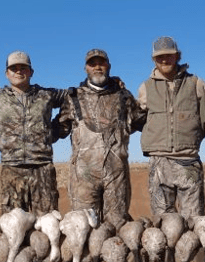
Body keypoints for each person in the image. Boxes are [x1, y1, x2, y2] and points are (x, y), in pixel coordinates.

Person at [54, 49, 146, 230]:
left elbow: (142, 122)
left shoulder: (123, 97)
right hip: (83, 181)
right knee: (83, 229)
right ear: (85, 68)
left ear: (108, 66)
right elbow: (58, 129)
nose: (97, 67)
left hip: (116, 177)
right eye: (92, 63)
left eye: (101, 63)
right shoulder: (73, 98)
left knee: (118, 228)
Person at [0, 51, 69, 216]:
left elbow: (76, 95)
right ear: (7, 73)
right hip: (12, 169)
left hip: (43, 168)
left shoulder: (46, 95)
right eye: (14, 68)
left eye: (23, 68)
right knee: (14, 226)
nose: (19, 71)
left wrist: (56, 131)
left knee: (47, 223)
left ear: (31, 72)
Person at [137, 36, 205, 218]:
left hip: (189, 161)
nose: (164, 60)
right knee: (163, 223)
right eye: (159, 57)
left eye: (169, 56)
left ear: (177, 56)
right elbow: (139, 120)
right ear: (154, 60)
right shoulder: (146, 87)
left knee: (194, 222)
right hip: (159, 162)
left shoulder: (196, 83)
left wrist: (190, 137)